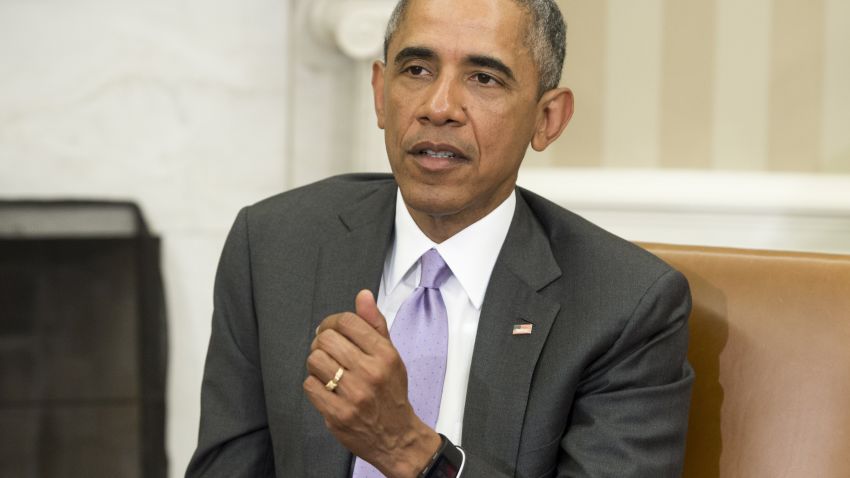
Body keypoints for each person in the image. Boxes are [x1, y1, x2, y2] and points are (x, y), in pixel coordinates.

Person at [186, 0, 694, 476]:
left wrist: (408, 450)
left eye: (483, 77)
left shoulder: (624, 307)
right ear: (381, 93)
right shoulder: (275, 246)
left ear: (547, 119)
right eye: (417, 70)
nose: (439, 106)